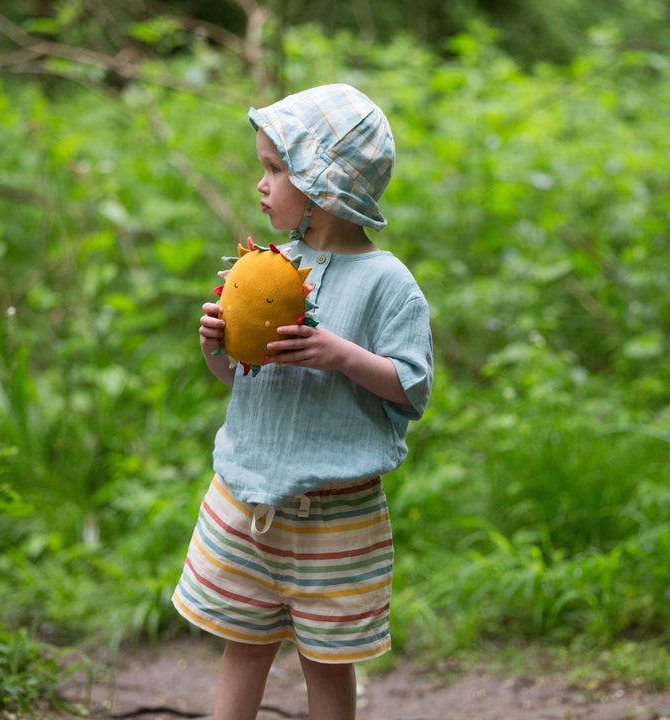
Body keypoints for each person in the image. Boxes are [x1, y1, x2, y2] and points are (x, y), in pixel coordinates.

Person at [173, 83, 433, 720]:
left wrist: (341, 354)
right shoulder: (265, 267)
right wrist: (217, 347)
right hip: (246, 494)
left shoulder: (387, 284)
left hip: (336, 518)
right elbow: (248, 384)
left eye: (274, 168)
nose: (260, 185)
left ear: (326, 182)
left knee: (327, 659)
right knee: (244, 642)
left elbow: (412, 387)